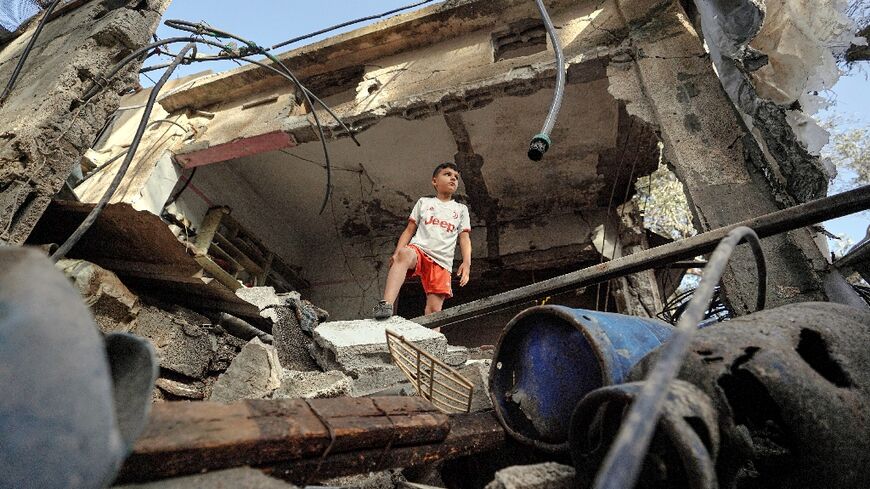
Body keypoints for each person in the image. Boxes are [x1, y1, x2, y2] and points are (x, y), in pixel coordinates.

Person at [373, 162, 471, 320]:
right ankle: (386, 304)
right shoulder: (424, 203)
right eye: (447, 174)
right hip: (420, 250)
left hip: (443, 261)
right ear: (434, 181)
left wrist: (467, 262)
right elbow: (409, 230)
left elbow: (464, 238)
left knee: (434, 309)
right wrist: (397, 253)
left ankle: (434, 341)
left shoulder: (461, 209)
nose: (453, 178)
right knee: (405, 253)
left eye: (456, 177)